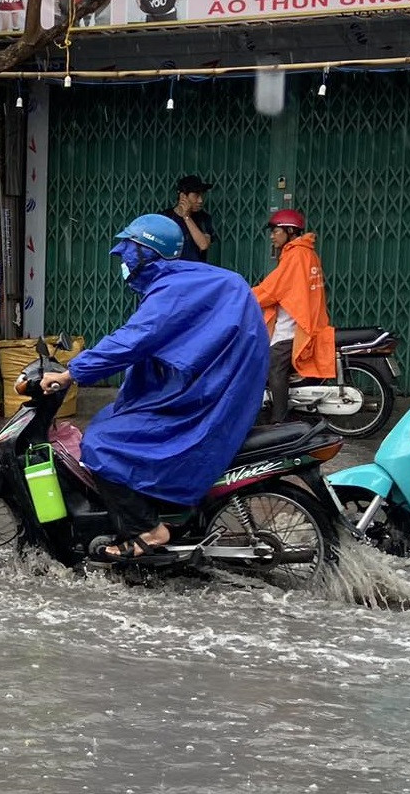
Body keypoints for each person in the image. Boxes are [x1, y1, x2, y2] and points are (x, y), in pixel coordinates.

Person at [39, 214, 269, 561]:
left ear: (148, 252)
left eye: (129, 249)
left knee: (103, 443)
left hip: (206, 394)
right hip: (205, 384)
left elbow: (135, 339)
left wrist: (73, 372)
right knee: (111, 420)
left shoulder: (173, 289)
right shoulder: (188, 280)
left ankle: (147, 529)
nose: (122, 256)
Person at [251, 209, 336, 424]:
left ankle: (279, 419)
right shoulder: (306, 253)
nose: (272, 236)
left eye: (276, 231)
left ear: (289, 231)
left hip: (292, 326)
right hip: (303, 319)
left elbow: (272, 290)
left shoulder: (296, 255)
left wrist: (245, 297)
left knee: (273, 367)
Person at [158, 174, 215, 262]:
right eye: (196, 196)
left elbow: (203, 245)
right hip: (171, 270)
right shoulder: (165, 217)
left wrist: (186, 217)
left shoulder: (204, 218)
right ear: (183, 196)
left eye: (201, 195)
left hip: (195, 271)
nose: (200, 200)